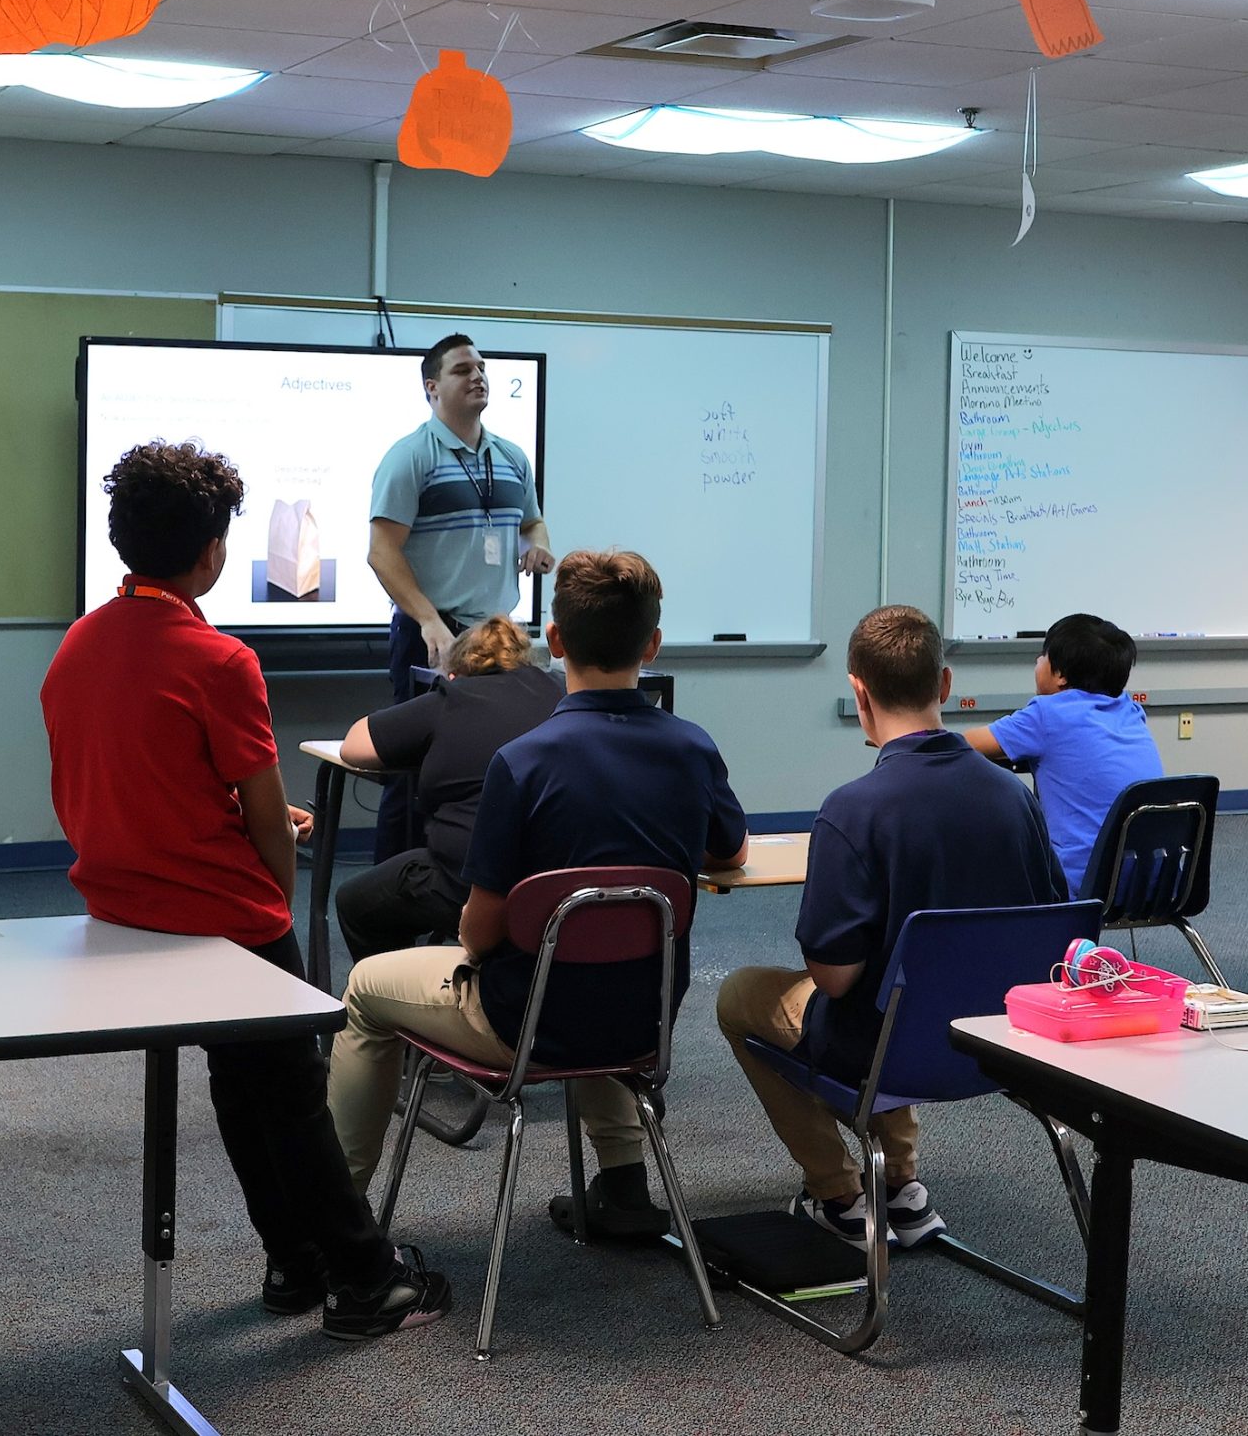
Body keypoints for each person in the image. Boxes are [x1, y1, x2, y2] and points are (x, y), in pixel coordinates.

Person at [41, 440, 451, 1341]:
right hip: (219, 920)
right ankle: (362, 1275)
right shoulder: (219, 659)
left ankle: (290, 1259)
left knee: (243, 1083)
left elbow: (133, 781)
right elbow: (270, 825)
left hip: (121, 908)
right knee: (294, 1091)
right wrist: (270, 904)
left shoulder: (77, 644)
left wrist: (236, 825)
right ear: (212, 554)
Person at [327, 550, 747, 1239]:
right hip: (646, 1015)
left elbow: (483, 933)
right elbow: (729, 853)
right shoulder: (693, 748)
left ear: (553, 642)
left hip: (524, 1019)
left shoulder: (523, 763)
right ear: (652, 645)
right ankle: (624, 1186)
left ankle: (336, 1226)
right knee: (599, 969)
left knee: (368, 987)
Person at [717, 605, 1063, 1248]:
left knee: (740, 995)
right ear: (945, 685)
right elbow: (1050, 932)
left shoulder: (852, 810)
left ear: (859, 689)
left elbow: (835, 977)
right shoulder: (1015, 798)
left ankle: (840, 1195)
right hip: (1000, 1043)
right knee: (906, 982)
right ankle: (901, 1186)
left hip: (889, 1048)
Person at [367, 334, 552, 856]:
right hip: (435, 630)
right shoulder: (410, 458)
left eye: (482, 368)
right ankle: (396, 889)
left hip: (498, 635)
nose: (478, 377)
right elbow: (382, 552)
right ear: (432, 388)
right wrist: (428, 620)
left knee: (497, 758)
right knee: (414, 767)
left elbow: (534, 523)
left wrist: (537, 546)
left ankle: (477, 886)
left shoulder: (511, 457)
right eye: (461, 370)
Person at [333, 614, 562, 962]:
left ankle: (393, 994)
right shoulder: (559, 689)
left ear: (455, 672)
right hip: (560, 876)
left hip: (469, 883)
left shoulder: (452, 695)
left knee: (356, 902)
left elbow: (354, 745)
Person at [962, 613, 1164, 896]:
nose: (1037, 662)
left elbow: (963, 744)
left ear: (1060, 675)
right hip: (1151, 883)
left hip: (1080, 883)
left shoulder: (1047, 715)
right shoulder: (1130, 710)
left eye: (1043, 656)